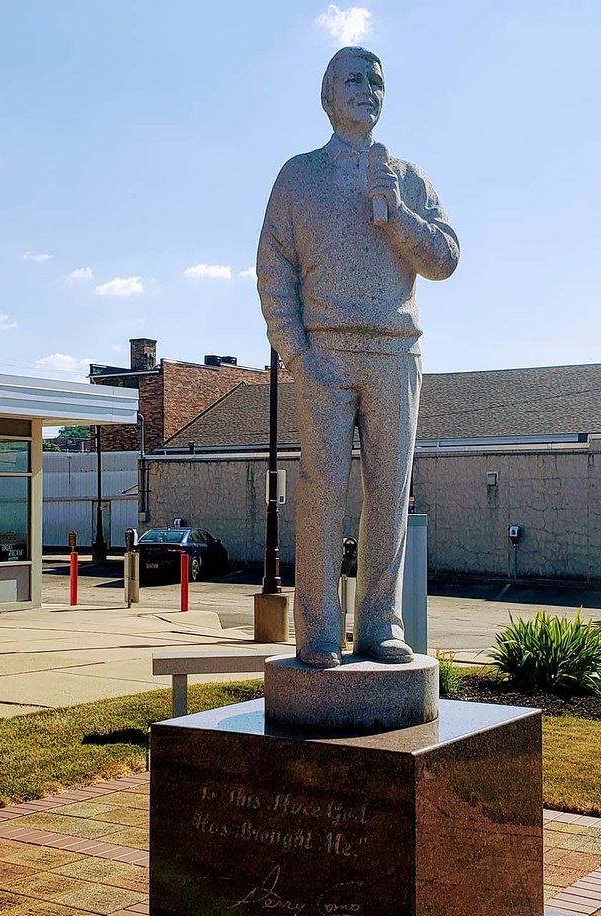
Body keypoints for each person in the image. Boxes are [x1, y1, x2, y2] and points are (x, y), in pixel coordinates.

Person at [257, 46, 459, 669]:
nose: (367, 89)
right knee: (322, 493)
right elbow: (273, 269)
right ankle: (317, 634)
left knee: (389, 492)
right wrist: (295, 352)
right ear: (327, 96)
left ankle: (379, 626)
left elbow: (445, 258)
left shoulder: (405, 177)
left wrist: (396, 215)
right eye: (353, 79)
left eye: (376, 81)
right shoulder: (299, 177)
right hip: (325, 352)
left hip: (394, 354)